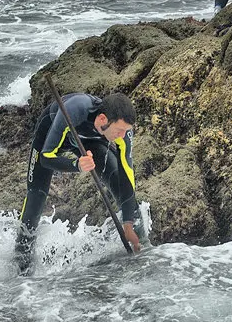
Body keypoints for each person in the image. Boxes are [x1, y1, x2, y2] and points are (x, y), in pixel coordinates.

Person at [15, 92, 145, 274]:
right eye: (119, 130)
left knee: (119, 183)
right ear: (102, 119)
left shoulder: (123, 131)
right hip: (50, 136)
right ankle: (21, 267)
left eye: (126, 131)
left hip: (89, 141)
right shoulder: (75, 109)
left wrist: (129, 223)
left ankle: (143, 253)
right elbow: (47, 158)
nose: (122, 135)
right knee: (36, 195)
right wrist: (77, 165)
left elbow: (127, 178)